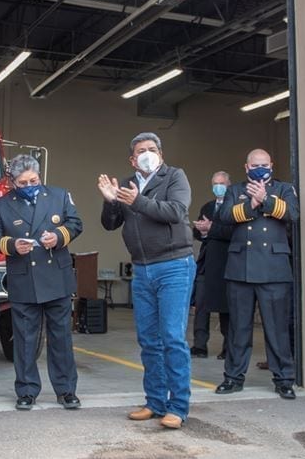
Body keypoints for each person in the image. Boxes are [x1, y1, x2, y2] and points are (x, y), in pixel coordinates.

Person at [99, 132, 194, 429]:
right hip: (142, 269)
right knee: (149, 339)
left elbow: (175, 212)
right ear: (132, 158)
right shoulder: (127, 184)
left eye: (152, 149)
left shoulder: (175, 177)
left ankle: (178, 407)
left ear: (161, 155)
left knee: (172, 338)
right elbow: (110, 224)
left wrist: (137, 201)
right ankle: (155, 401)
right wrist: (111, 202)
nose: (147, 154)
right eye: (141, 150)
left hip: (174, 266)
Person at [0, 155, 82, 410]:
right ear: (12, 182)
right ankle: (27, 390)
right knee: (25, 340)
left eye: (34, 180)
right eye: (23, 181)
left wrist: (59, 238)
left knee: (61, 338)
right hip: (23, 277)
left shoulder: (59, 196)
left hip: (56, 279)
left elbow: (75, 223)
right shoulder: (1, 205)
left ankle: (66, 390)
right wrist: (12, 245)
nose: (30, 184)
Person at [216, 148, 298, 400]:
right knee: (239, 328)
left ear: (271, 165)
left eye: (264, 164)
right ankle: (233, 377)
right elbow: (224, 216)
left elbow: (293, 214)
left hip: (273, 269)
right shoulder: (235, 190)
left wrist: (266, 199)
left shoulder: (284, 189)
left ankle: (283, 379)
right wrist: (251, 203)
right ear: (246, 167)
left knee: (277, 328)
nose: (259, 168)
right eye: (255, 165)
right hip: (241, 268)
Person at [191, 171, 233, 359]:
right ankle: (200, 345)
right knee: (201, 305)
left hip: (227, 262)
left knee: (226, 308)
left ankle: (228, 347)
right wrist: (203, 231)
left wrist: (212, 228)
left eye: (222, 183)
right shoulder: (207, 207)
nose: (218, 187)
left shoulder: (236, 207)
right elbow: (198, 232)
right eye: (215, 183)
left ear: (229, 184)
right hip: (207, 262)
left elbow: (233, 232)